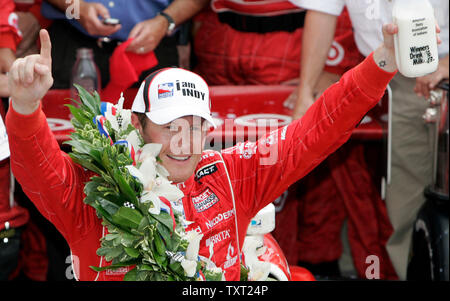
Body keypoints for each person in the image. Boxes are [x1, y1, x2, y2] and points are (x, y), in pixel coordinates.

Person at [6, 23, 427, 280]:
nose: (184, 141)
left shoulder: (230, 173)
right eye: (170, 127)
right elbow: (40, 170)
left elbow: (315, 131)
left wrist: (383, 61)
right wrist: (25, 107)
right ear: (137, 125)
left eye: (195, 127)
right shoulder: (100, 192)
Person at [287, 0, 449, 280]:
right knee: (403, 201)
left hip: (436, 67)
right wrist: (305, 91)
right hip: (382, 73)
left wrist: (447, 62)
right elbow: (322, 11)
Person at [42, 0, 209, 89]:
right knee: (67, 139)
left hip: (152, 46)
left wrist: (165, 21)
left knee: (153, 141)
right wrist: (75, 7)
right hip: (75, 46)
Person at [192, 0, 362, 88]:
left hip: (294, 48)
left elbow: (337, 6)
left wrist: (334, 69)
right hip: (220, 41)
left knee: (293, 142)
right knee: (212, 137)